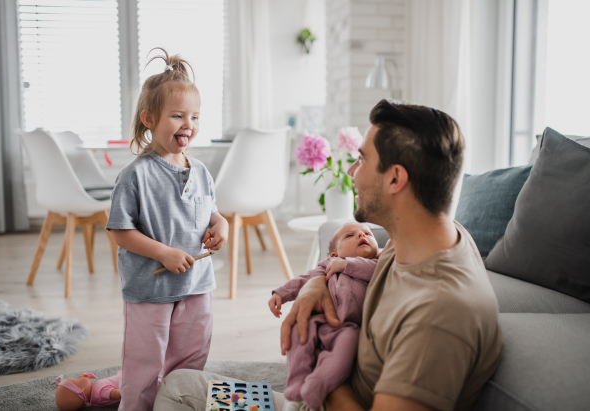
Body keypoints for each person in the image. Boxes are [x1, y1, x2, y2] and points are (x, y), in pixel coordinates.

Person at [153, 99, 503, 411]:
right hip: (313, 397)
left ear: (396, 179)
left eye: (363, 159)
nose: (351, 171)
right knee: (179, 384)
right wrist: (317, 283)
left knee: (178, 394)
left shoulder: (438, 317)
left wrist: (320, 369)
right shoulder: (424, 234)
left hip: (322, 398)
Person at [106, 47, 228, 411]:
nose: (188, 124)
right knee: (143, 364)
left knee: (190, 360)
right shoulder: (135, 175)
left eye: (194, 116)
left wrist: (221, 226)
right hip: (150, 288)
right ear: (148, 118)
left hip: (197, 285)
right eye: (177, 116)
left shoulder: (202, 172)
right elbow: (119, 230)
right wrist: (163, 252)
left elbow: (212, 213)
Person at [268, 222, 379, 409]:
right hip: (320, 320)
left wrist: (346, 264)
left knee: (343, 354)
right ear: (334, 254)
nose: (362, 236)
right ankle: (297, 380)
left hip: (350, 326)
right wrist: (280, 293)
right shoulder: (327, 265)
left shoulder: (377, 263)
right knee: (298, 333)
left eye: (367, 233)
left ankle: (320, 383)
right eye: (350, 236)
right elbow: (304, 280)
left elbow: (373, 271)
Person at [54, 371, 121, 411]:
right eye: (77, 380)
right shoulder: (100, 391)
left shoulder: (94, 401)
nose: (80, 376)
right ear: (82, 390)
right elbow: (118, 394)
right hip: (126, 381)